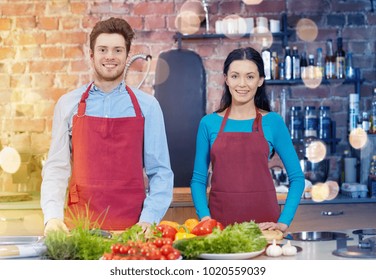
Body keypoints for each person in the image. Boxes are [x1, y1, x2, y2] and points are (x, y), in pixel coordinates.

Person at [40, 17, 173, 235]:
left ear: (127, 56)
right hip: (79, 231)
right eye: (103, 49)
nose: (110, 56)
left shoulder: (148, 107)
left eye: (117, 50)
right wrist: (52, 217)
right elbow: (56, 168)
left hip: (132, 231)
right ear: (91, 55)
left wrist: (148, 220)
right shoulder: (68, 105)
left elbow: (161, 173)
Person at [190, 47, 305, 232]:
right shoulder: (208, 124)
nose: (242, 84)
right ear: (226, 79)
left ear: (260, 81)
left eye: (250, 77)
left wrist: (283, 223)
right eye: (235, 76)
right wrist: (206, 219)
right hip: (221, 228)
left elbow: (297, 178)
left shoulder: (273, 122)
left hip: (265, 228)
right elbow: (198, 180)